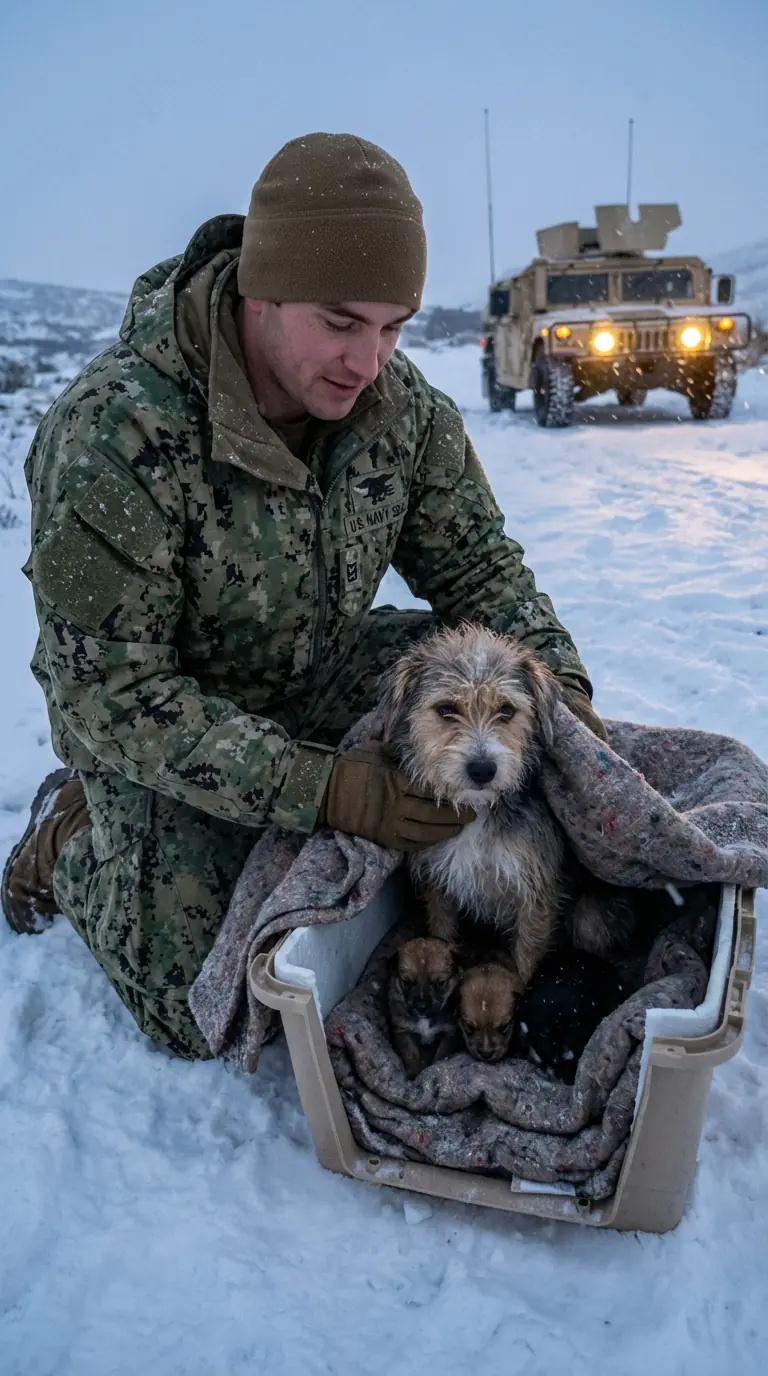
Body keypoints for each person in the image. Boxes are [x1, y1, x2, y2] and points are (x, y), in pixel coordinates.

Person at [2, 133, 606, 1058]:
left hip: (316, 668)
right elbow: (115, 696)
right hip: (162, 728)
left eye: (395, 325)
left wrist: (569, 699)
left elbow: (479, 572)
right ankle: (71, 834)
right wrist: (325, 789)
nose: (370, 360)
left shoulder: (401, 410)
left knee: (484, 699)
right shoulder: (112, 439)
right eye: (341, 321)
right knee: (198, 995)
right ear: (261, 289)